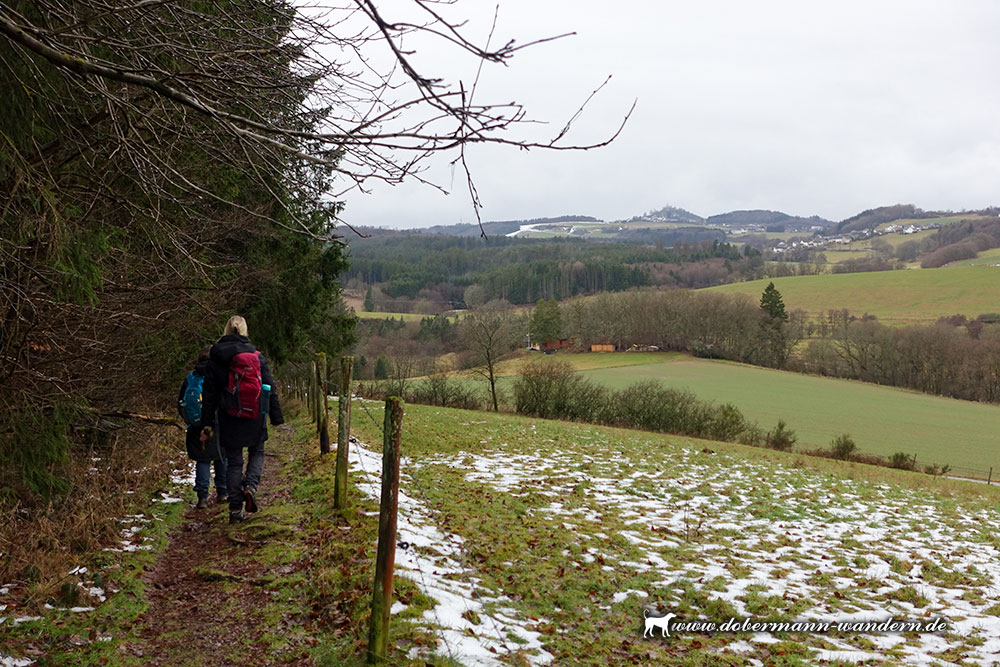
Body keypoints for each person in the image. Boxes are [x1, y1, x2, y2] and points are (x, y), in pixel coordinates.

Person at [199, 315, 284, 524]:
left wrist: (207, 424)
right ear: (245, 331)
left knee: (234, 462)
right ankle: (250, 486)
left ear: (226, 330)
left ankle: (235, 509)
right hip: (255, 414)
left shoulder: (216, 358)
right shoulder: (257, 356)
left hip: (229, 416)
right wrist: (276, 417)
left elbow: (209, 395)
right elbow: (270, 388)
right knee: (257, 451)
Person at [177, 348, 227, 508]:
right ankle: (223, 492)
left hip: (196, 425)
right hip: (217, 423)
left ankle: (202, 497)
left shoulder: (191, 378)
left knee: (203, 460)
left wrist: (190, 421)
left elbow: (181, 403)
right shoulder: (219, 375)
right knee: (221, 457)